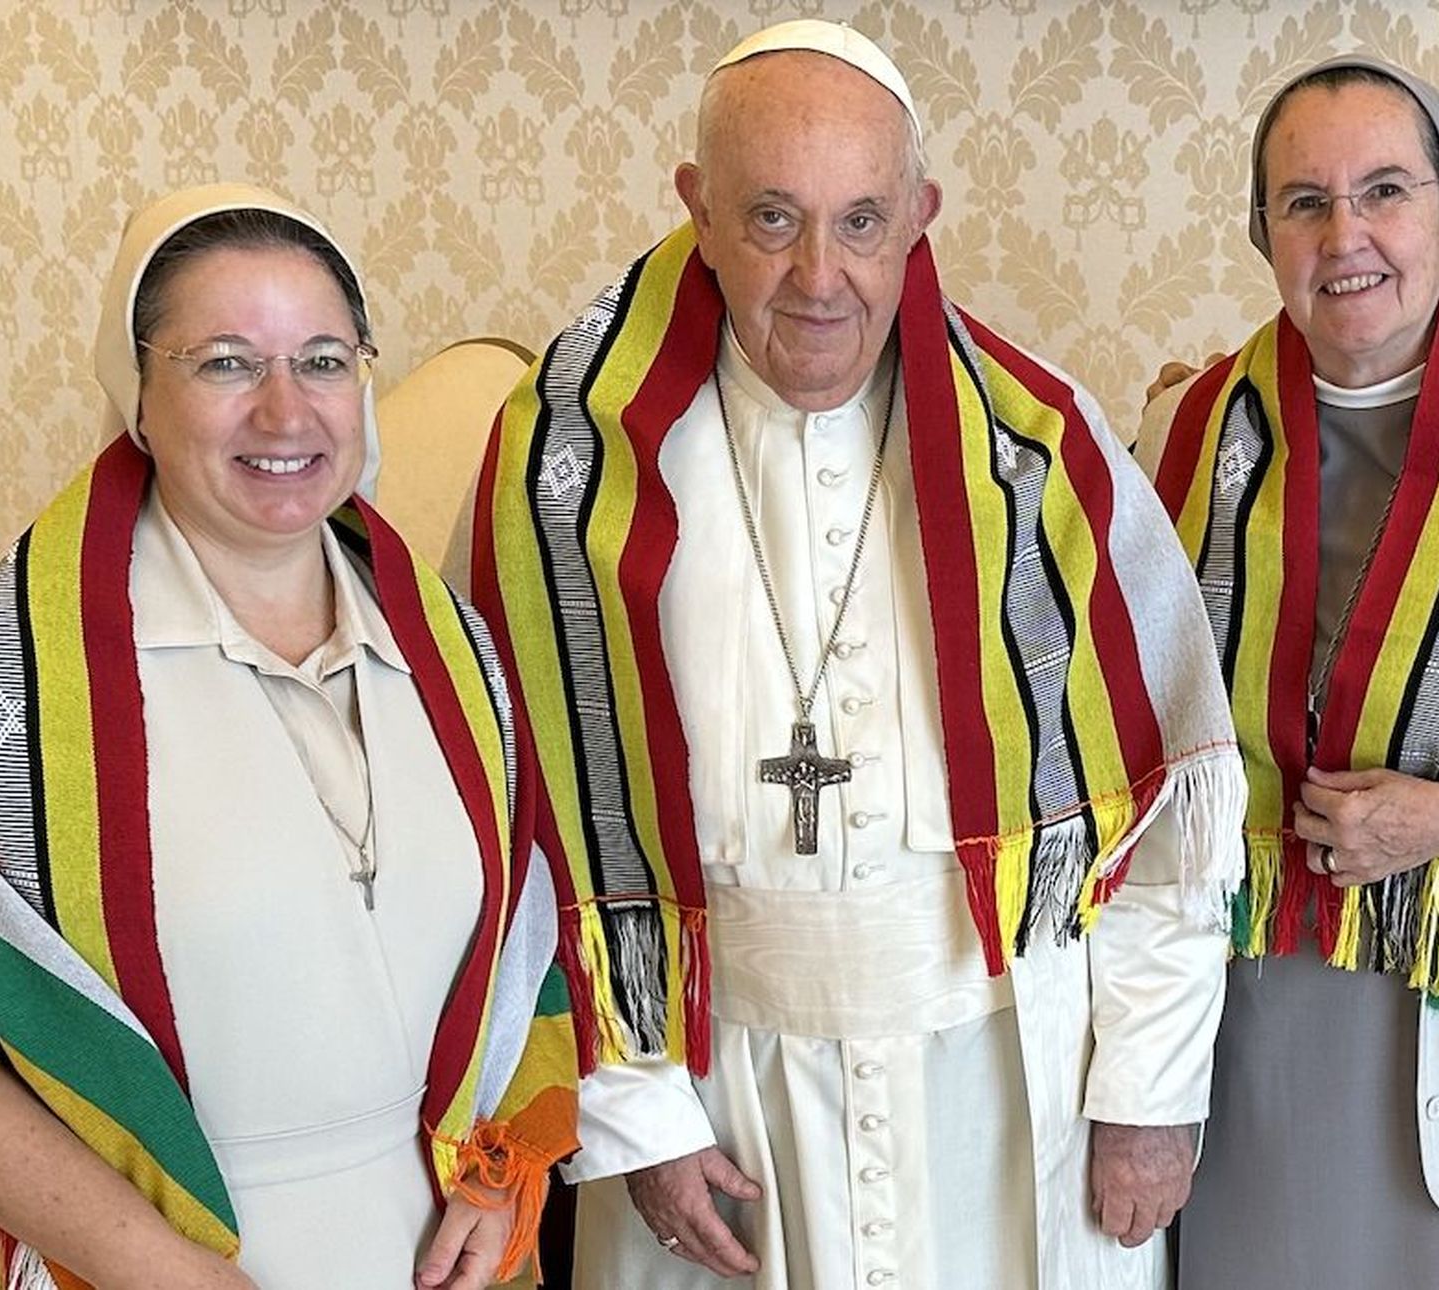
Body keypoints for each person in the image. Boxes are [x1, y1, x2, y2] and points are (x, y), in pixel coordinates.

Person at [473, 20, 1248, 1289]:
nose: (819, 278)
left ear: (921, 216)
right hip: (714, 1102)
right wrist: (637, 1118)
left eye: (862, 222)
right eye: (772, 220)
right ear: (698, 211)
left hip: (1007, 1088)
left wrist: (1151, 1094)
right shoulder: (568, 468)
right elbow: (521, 822)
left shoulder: (1040, 453)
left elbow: (1153, 821)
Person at [0, 184, 579, 1290]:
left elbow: (520, 958)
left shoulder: (459, 658)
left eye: (323, 359)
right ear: (139, 397)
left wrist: (503, 1178)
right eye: (224, 363)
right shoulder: (2, 685)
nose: (285, 413)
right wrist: (158, 1269)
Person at [1134, 55, 1439, 1290]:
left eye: (1386, 190)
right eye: (1304, 201)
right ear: (1260, 230)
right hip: (1259, 1028)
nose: (1347, 235)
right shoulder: (1185, 437)